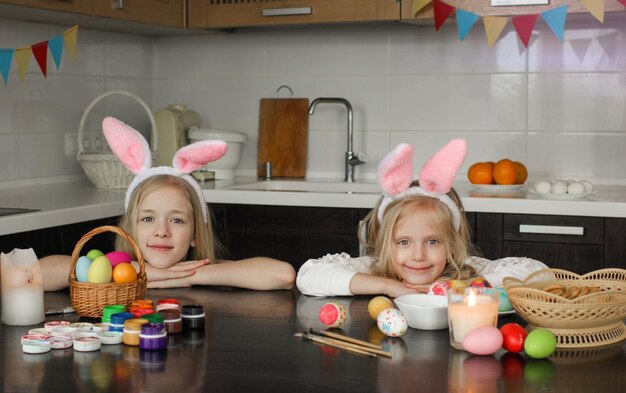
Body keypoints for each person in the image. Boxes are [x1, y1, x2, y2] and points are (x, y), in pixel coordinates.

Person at [40, 116, 295, 291]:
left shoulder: (200, 269)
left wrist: (188, 275)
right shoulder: (113, 270)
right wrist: (140, 274)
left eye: (177, 220)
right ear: (130, 230)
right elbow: (36, 273)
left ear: (195, 233)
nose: (162, 231)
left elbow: (283, 275)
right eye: (148, 218)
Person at [296, 139, 547, 297]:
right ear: (386, 244)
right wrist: (389, 287)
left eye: (433, 242)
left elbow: (540, 273)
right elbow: (308, 276)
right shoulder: (375, 270)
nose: (418, 256)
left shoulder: (463, 270)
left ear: (451, 244)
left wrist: (463, 285)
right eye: (404, 242)